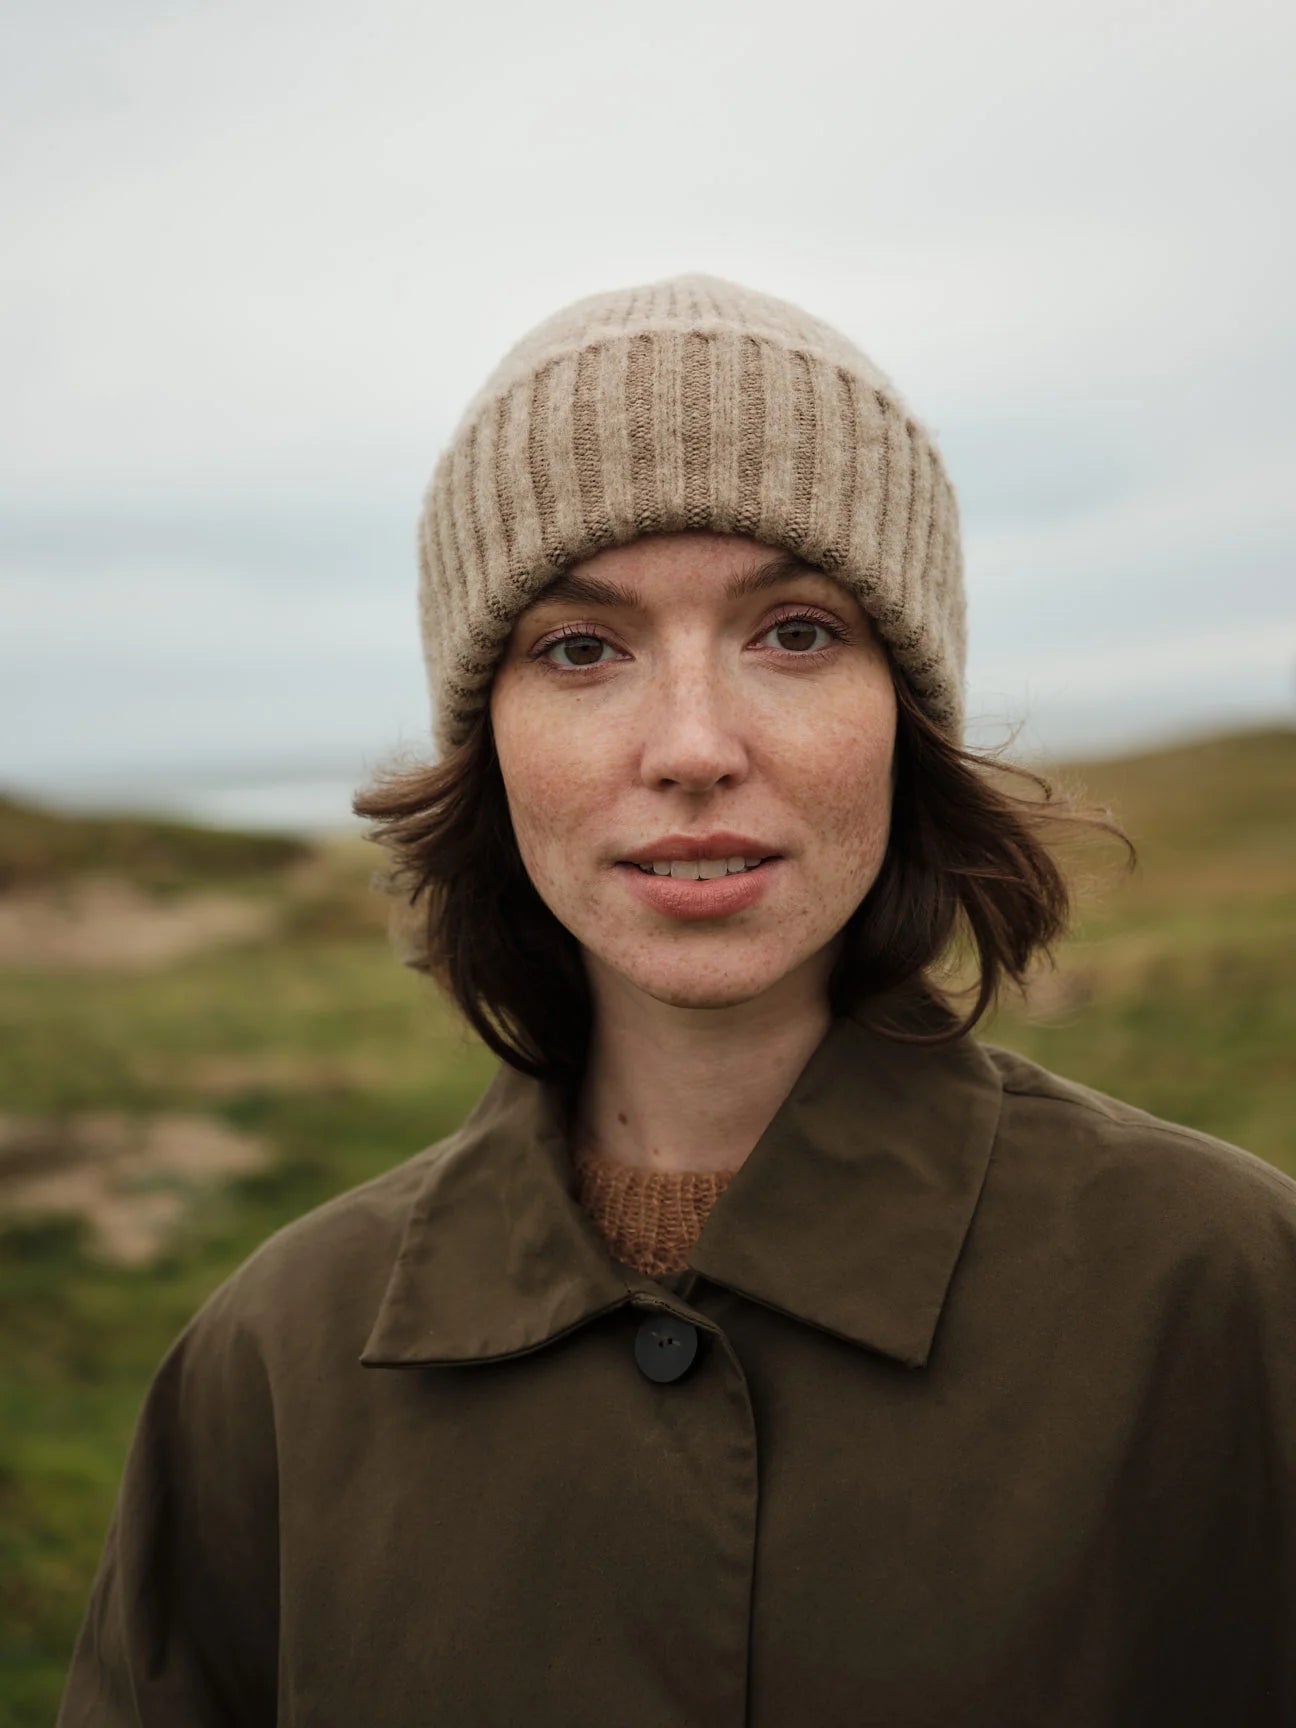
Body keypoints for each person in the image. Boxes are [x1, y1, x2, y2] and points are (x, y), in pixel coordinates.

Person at [58, 275, 1296, 1726]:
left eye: (795, 632)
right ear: (489, 740)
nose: (693, 745)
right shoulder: (267, 1364)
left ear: (907, 712)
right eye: (582, 648)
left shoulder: (1229, 1295)